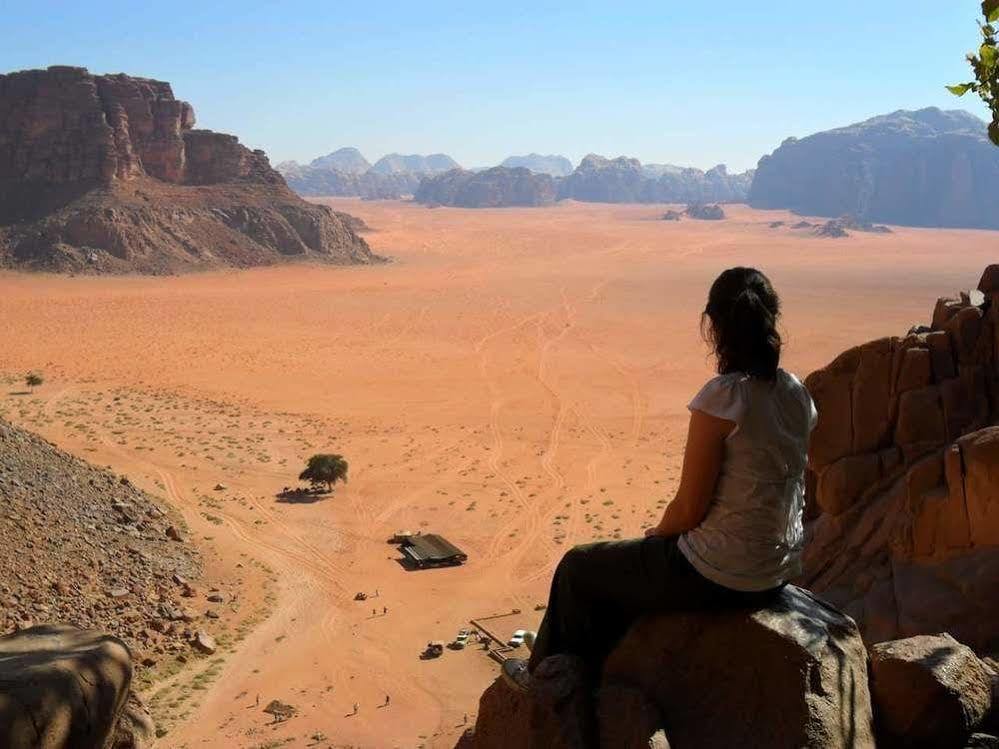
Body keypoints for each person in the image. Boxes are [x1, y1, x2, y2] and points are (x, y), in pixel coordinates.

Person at [502, 267, 817, 692]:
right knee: (624, 576)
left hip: (722, 574)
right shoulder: (797, 392)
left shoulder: (725, 398)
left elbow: (689, 509)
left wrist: (656, 537)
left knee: (579, 566)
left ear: (715, 325)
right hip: (777, 570)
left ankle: (546, 678)